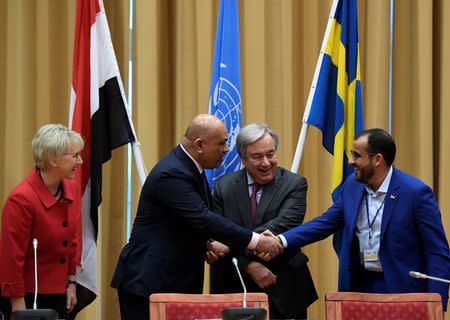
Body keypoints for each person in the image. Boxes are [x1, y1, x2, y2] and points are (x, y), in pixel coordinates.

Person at [111, 114, 282, 320]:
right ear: (199, 145)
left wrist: (208, 242)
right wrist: (257, 241)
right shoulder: (173, 173)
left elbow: (186, 221)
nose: (227, 149)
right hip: (149, 284)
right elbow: (203, 218)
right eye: (221, 143)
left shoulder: (190, 167)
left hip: (172, 281)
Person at [273, 128, 450, 310]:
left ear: (378, 159)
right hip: (360, 288)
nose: (350, 161)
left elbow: (437, 252)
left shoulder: (415, 193)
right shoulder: (352, 185)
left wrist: (437, 305)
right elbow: (325, 223)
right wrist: (281, 240)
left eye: (357, 156)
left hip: (403, 291)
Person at [209, 123, 318, 320]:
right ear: (243, 158)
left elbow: (284, 224)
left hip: (285, 288)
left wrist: (230, 243)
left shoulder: (295, 184)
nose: (266, 163)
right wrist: (249, 266)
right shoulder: (223, 187)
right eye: (257, 156)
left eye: (271, 154)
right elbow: (218, 234)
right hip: (236, 284)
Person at [0, 124, 84, 319]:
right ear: (54, 159)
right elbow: (11, 258)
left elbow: (73, 241)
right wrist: (18, 304)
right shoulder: (21, 199)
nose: (80, 161)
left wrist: (71, 283)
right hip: (27, 296)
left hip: (60, 294)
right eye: (75, 156)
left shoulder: (72, 189)